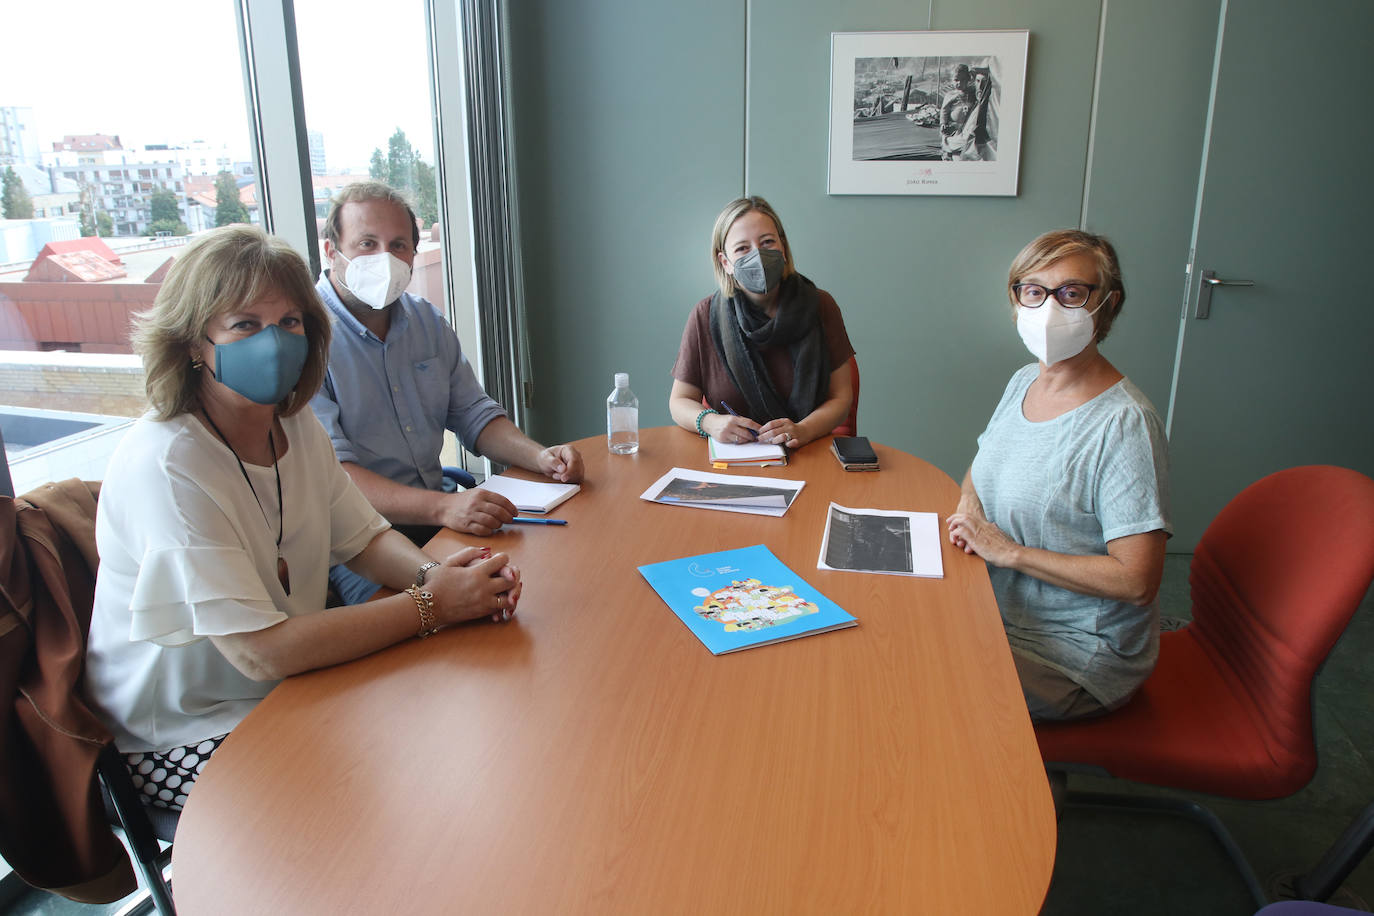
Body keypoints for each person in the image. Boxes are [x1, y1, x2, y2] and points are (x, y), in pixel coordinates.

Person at [85, 226, 524, 811]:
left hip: (284, 691)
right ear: (193, 342)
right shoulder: (167, 465)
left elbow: (365, 540)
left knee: (439, 748)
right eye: (245, 324)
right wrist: (434, 604)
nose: (274, 342)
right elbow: (261, 651)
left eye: (290, 321)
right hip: (180, 734)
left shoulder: (293, 426)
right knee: (368, 793)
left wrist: (441, 577)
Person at [310, 181, 583, 605]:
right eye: (367, 243)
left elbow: (472, 413)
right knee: (426, 642)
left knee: (528, 591)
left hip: (440, 520)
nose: (385, 257)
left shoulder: (426, 321)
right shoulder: (306, 337)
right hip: (358, 543)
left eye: (398, 244)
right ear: (332, 250)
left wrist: (540, 457)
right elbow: (335, 478)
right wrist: (442, 508)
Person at [946, 229, 1171, 722]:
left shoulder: (1123, 424)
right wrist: (969, 508)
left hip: (1073, 654)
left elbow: (1137, 580)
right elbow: (984, 466)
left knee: (912, 685)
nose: (1049, 307)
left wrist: (1011, 553)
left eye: (1071, 292)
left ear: (1106, 306)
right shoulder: (1026, 379)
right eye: (1034, 290)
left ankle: (1031, 786)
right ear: (1017, 301)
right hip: (998, 614)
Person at [668, 196, 855, 448]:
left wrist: (803, 430)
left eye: (767, 242)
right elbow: (679, 402)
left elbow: (841, 397)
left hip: (808, 450)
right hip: (732, 460)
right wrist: (711, 422)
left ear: (783, 248)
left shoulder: (821, 306)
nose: (758, 255)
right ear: (726, 262)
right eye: (743, 248)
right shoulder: (705, 315)